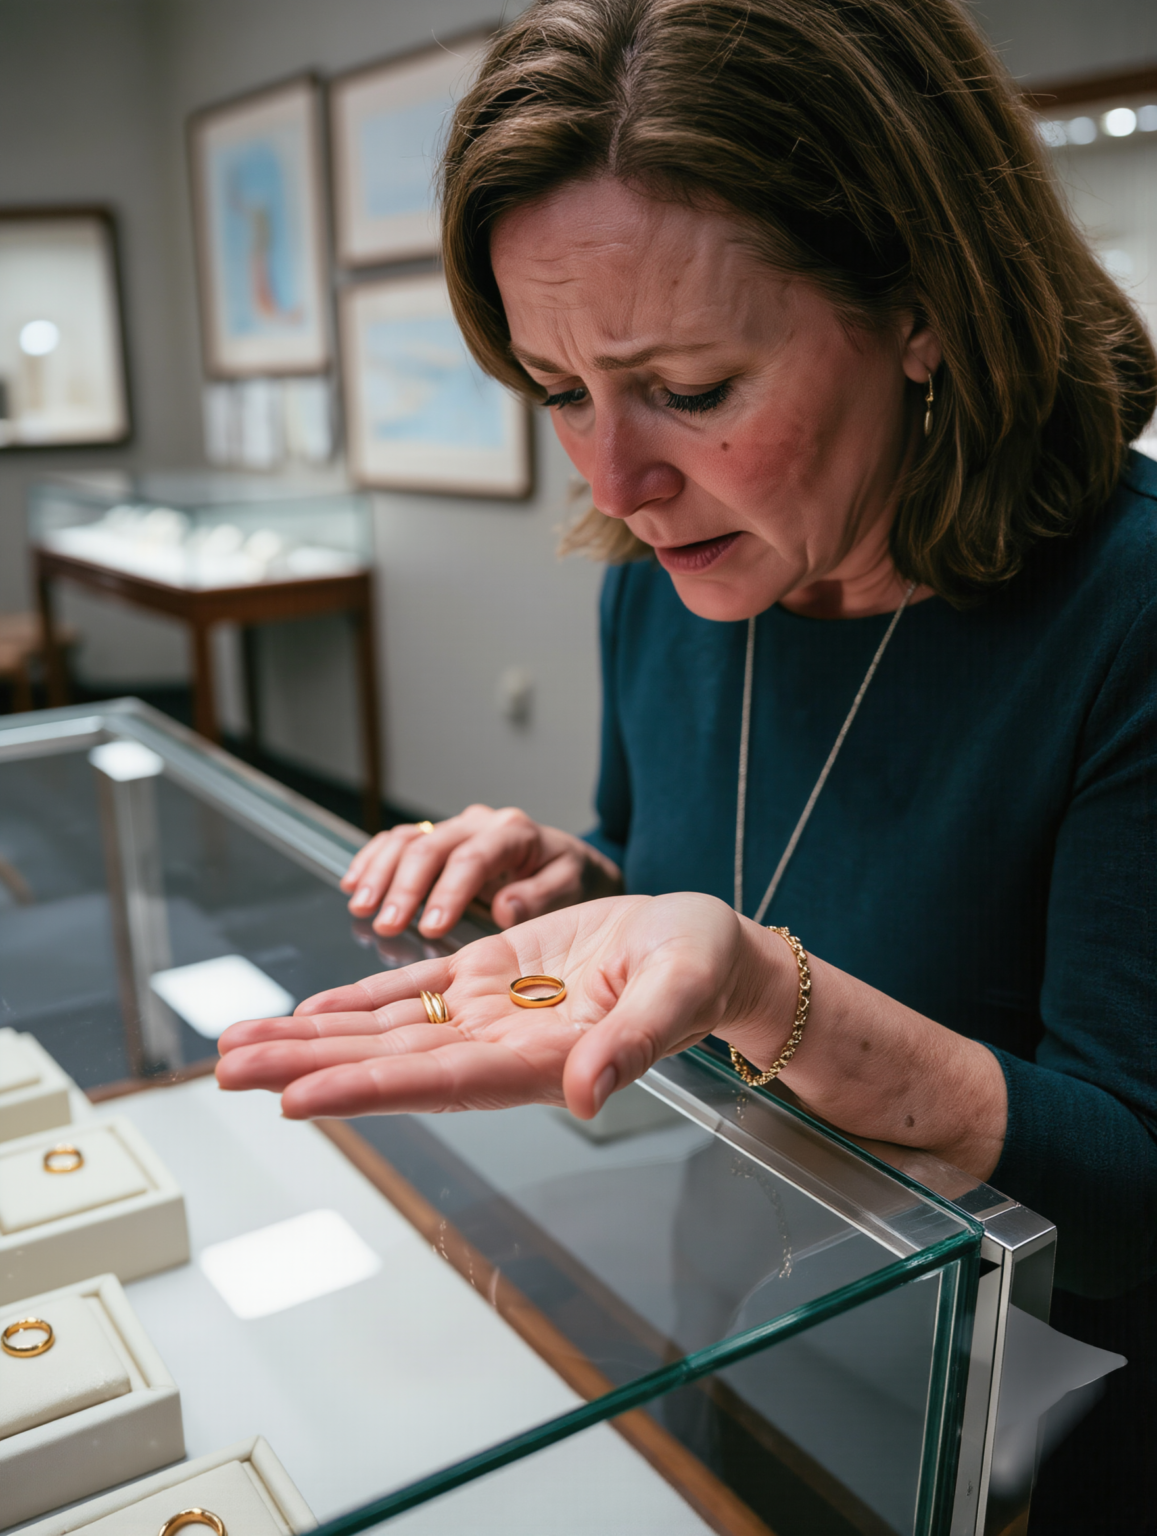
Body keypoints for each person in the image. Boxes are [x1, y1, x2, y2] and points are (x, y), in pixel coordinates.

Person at [217, 1, 1156, 1528]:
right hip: (740, 1317)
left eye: (695, 390)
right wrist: (577, 881)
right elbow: (688, 862)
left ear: (923, 308)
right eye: (558, 391)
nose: (616, 481)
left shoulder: (1129, 614)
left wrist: (756, 986)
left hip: (1018, 1440)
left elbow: (1130, 1192)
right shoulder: (663, 584)